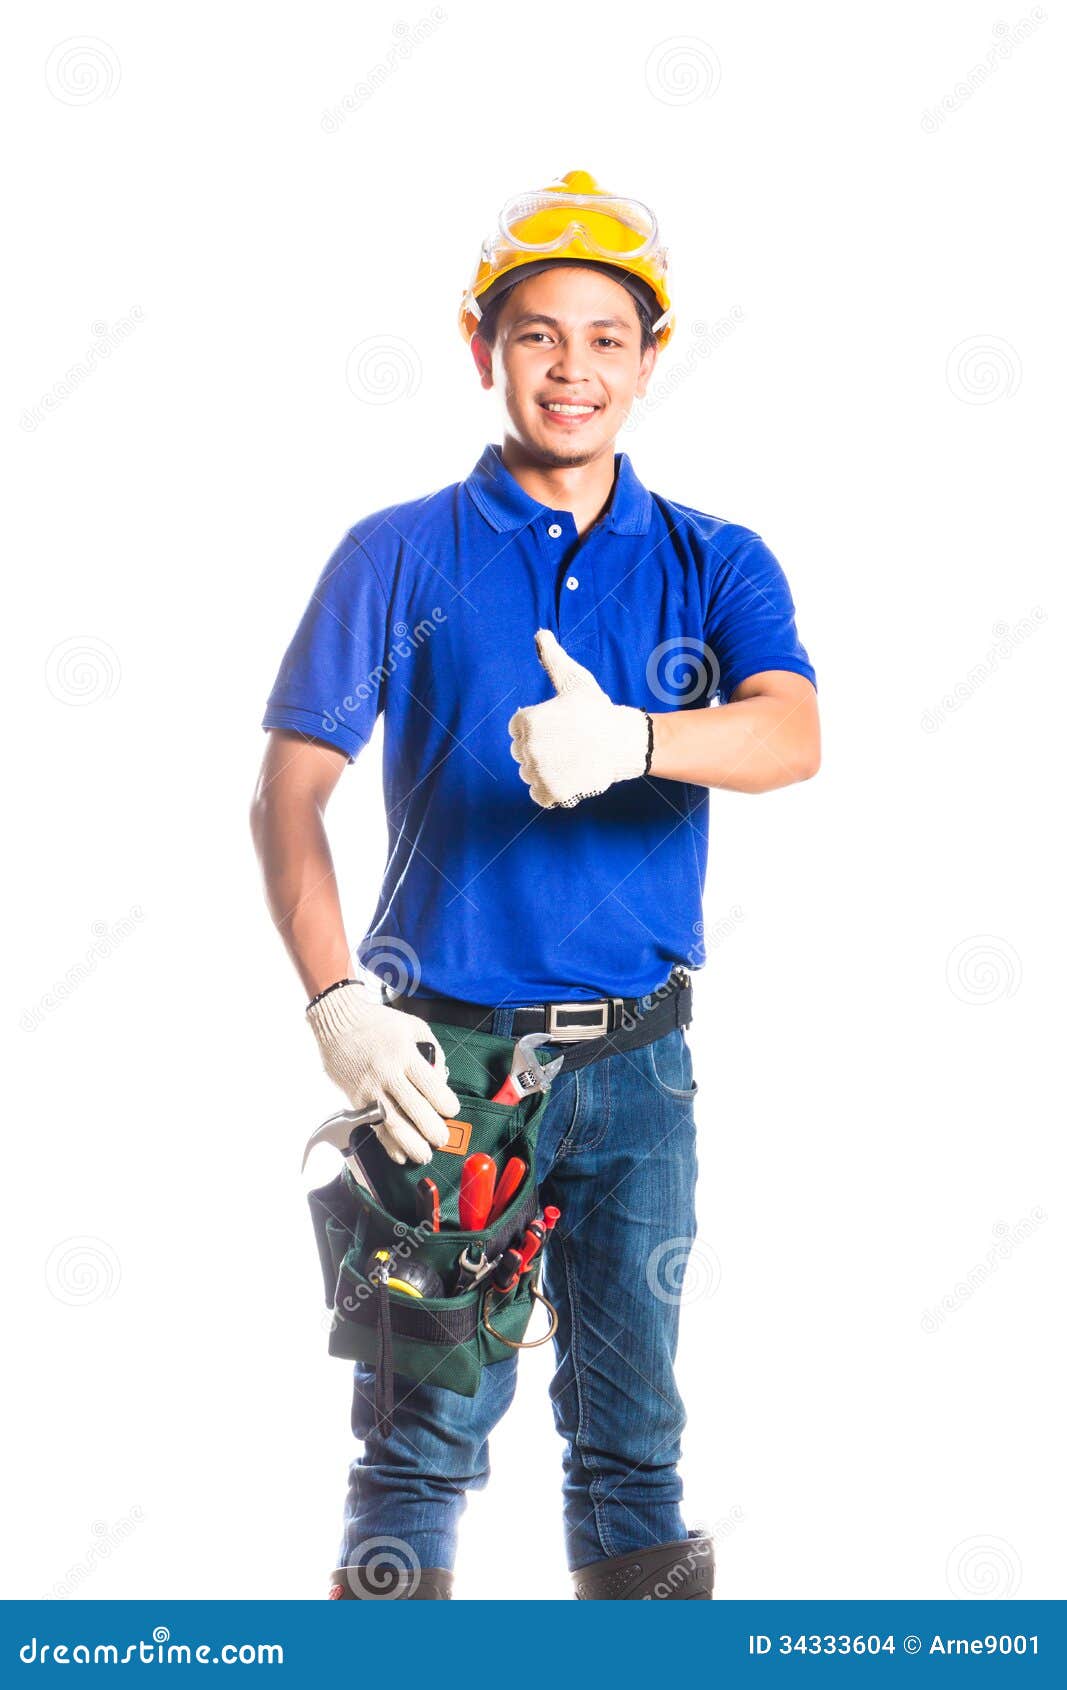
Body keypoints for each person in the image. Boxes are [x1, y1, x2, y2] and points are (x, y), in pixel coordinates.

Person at [250, 169, 820, 1600]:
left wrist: (637, 735)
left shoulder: (714, 560)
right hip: (447, 1064)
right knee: (419, 1442)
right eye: (538, 335)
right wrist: (337, 1004)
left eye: (607, 337)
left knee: (634, 1443)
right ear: (482, 345)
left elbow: (791, 734)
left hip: (641, 1073)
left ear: (652, 353)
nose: (573, 369)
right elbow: (287, 794)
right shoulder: (397, 554)